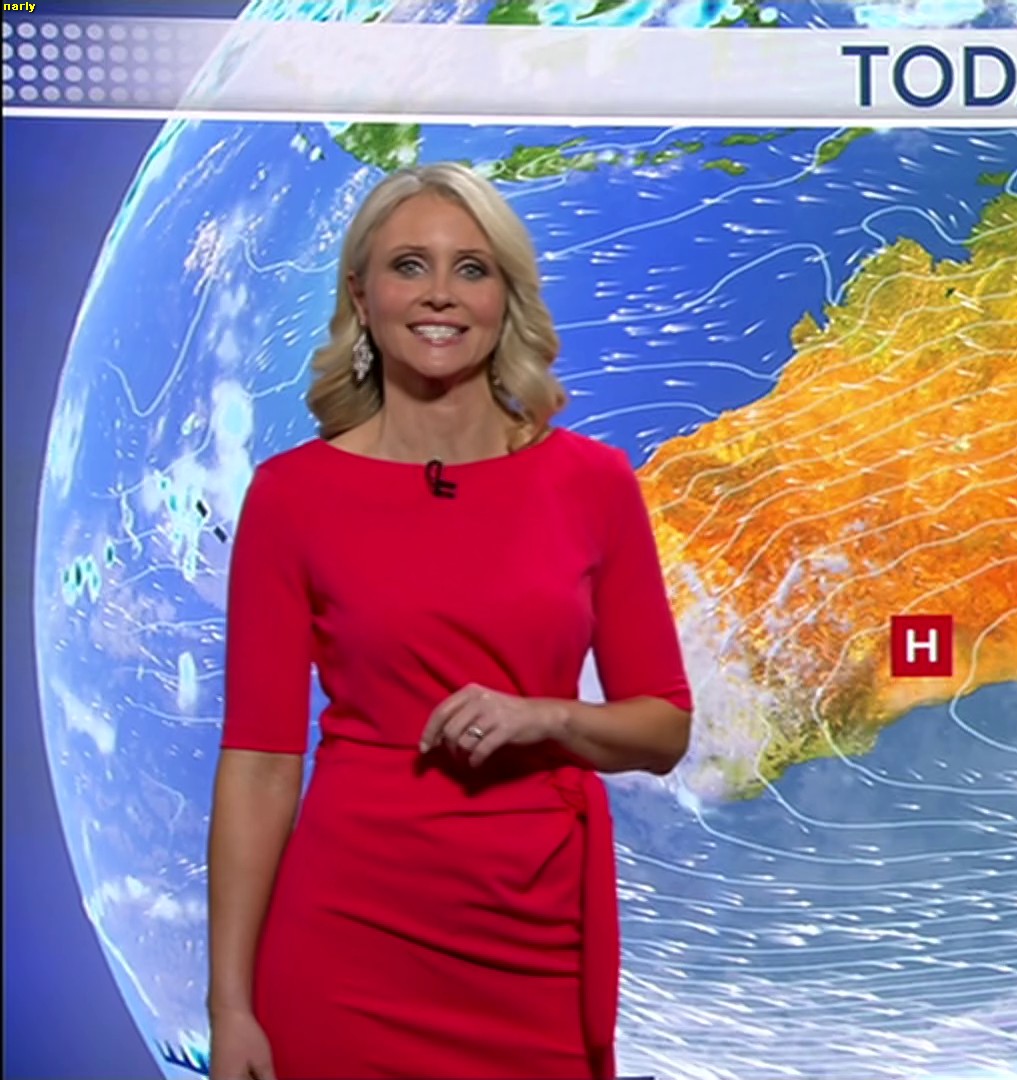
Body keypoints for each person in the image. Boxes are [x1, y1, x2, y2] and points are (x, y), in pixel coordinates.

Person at [205, 162, 694, 1080]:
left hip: (535, 936)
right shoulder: (292, 496)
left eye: (471, 268)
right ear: (362, 296)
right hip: (347, 941)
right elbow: (261, 764)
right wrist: (230, 1006)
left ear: (506, 297)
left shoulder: (592, 485)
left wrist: (547, 717)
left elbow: (664, 727)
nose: (440, 294)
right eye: (409, 266)